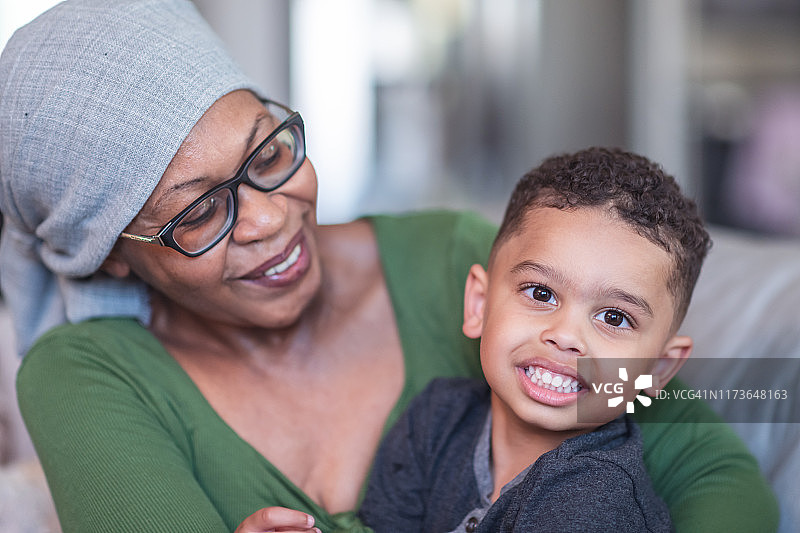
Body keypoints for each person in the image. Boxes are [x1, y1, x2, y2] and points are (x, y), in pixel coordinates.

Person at [0, 1, 777, 532]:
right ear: (111, 253)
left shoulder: (455, 258)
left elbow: (711, 470)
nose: (270, 218)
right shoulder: (87, 375)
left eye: (267, 153)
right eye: (199, 210)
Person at [359, 147, 704, 532]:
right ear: (479, 305)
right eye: (541, 293)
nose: (565, 336)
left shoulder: (595, 505)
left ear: (658, 368)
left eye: (614, 317)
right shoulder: (434, 420)